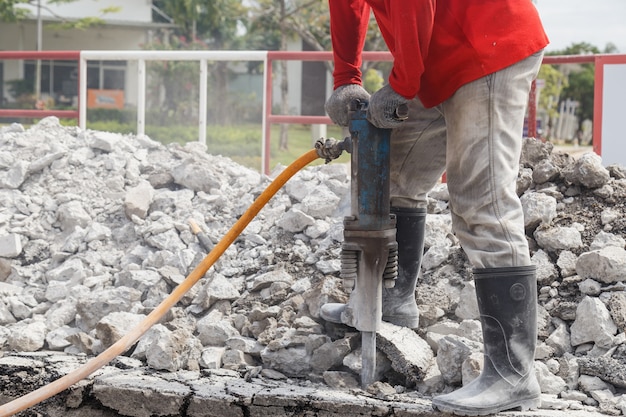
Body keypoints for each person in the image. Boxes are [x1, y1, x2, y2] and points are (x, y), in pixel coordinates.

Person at [320, 1, 549, 415]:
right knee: (387, 173)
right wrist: (345, 78)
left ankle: (512, 375)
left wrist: (404, 83)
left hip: (486, 44)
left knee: (482, 202)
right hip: (434, 56)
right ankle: (390, 304)